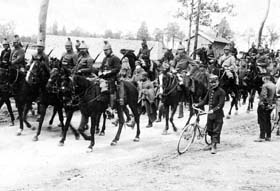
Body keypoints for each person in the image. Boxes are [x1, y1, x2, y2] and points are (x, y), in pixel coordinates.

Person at [195, 74, 226, 154]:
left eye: (214, 82)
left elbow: (221, 105)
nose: (213, 84)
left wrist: (214, 110)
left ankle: (214, 146)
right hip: (210, 114)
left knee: (216, 130)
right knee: (210, 129)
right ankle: (211, 144)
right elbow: (205, 101)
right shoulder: (210, 90)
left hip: (218, 115)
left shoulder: (221, 92)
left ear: (218, 82)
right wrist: (197, 105)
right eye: (211, 83)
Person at [99, 41, 122, 108]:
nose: (105, 52)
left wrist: (108, 72)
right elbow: (101, 67)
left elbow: (117, 68)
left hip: (112, 77)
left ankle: (111, 106)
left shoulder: (115, 58)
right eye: (104, 50)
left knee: (111, 89)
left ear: (110, 50)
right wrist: (100, 72)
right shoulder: (105, 58)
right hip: (103, 77)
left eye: (106, 50)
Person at [255, 74, 276, 142]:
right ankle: (268, 136)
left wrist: (262, 101)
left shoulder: (265, 85)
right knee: (268, 120)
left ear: (265, 79)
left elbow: (264, 96)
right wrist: (271, 104)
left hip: (264, 105)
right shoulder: (274, 85)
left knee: (262, 121)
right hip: (271, 105)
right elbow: (274, 96)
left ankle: (262, 137)